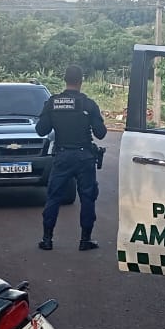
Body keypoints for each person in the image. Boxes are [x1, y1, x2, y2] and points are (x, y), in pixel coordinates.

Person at [36, 65, 107, 251]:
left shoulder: (53, 103)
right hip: (84, 157)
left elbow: (40, 130)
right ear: (81, 81)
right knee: (88, 198)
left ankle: (47, 239)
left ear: (64, 80)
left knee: (53, 197)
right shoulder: (88, 104)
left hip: (62, 156)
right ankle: (85, 240)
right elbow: (101, 133)